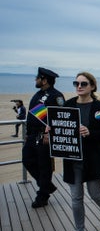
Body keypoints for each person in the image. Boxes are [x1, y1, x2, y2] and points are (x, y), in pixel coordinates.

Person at [63, 72, 100, 231]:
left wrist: (90, 132)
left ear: (92, 86)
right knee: (76, 198)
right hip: (73, 158)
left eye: (83, 84)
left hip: (93, 158)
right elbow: (59, 124)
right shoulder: (68, 105)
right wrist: (51, 129)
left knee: (95, 194)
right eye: (76, 83)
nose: (79, 86)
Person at [23, 67, 65, 208]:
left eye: (37, 77)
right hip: (32, 135)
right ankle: (46, 185)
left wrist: (50, 134)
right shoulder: (37, 94)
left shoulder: (56, 96)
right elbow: (31, 115)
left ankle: (43, 195)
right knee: (27, 159)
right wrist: (28, 134)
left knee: (44, 166)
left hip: (45, 136)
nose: (35, 79)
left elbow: (61, 117)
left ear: (44, 80)